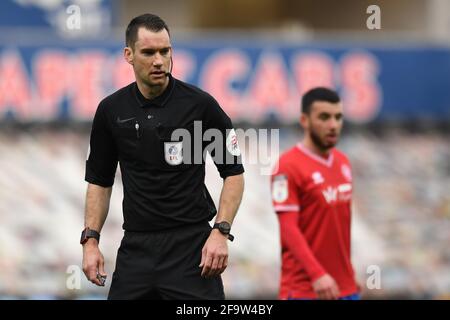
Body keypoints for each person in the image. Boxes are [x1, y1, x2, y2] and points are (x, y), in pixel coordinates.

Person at [81, 13, 245, 300]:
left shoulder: (200, 106)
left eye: (164, 51)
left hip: (191, 248)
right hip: (136, 248)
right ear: (129, 55)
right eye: (148, 52)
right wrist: (90, 241)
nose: (158, 60)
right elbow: (99, 181)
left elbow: (233, 172)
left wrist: (221, 232)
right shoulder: (111, 110)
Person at [270, 87, 360, 300]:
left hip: (345, 287)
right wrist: (318, 274)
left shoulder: (343, 162)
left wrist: (348, 273)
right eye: (324, 117)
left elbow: (338, 226)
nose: (333, 125)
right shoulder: (286, 166)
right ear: (304, 120)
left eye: (338, 117)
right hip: (306, 289)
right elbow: (288, 227)